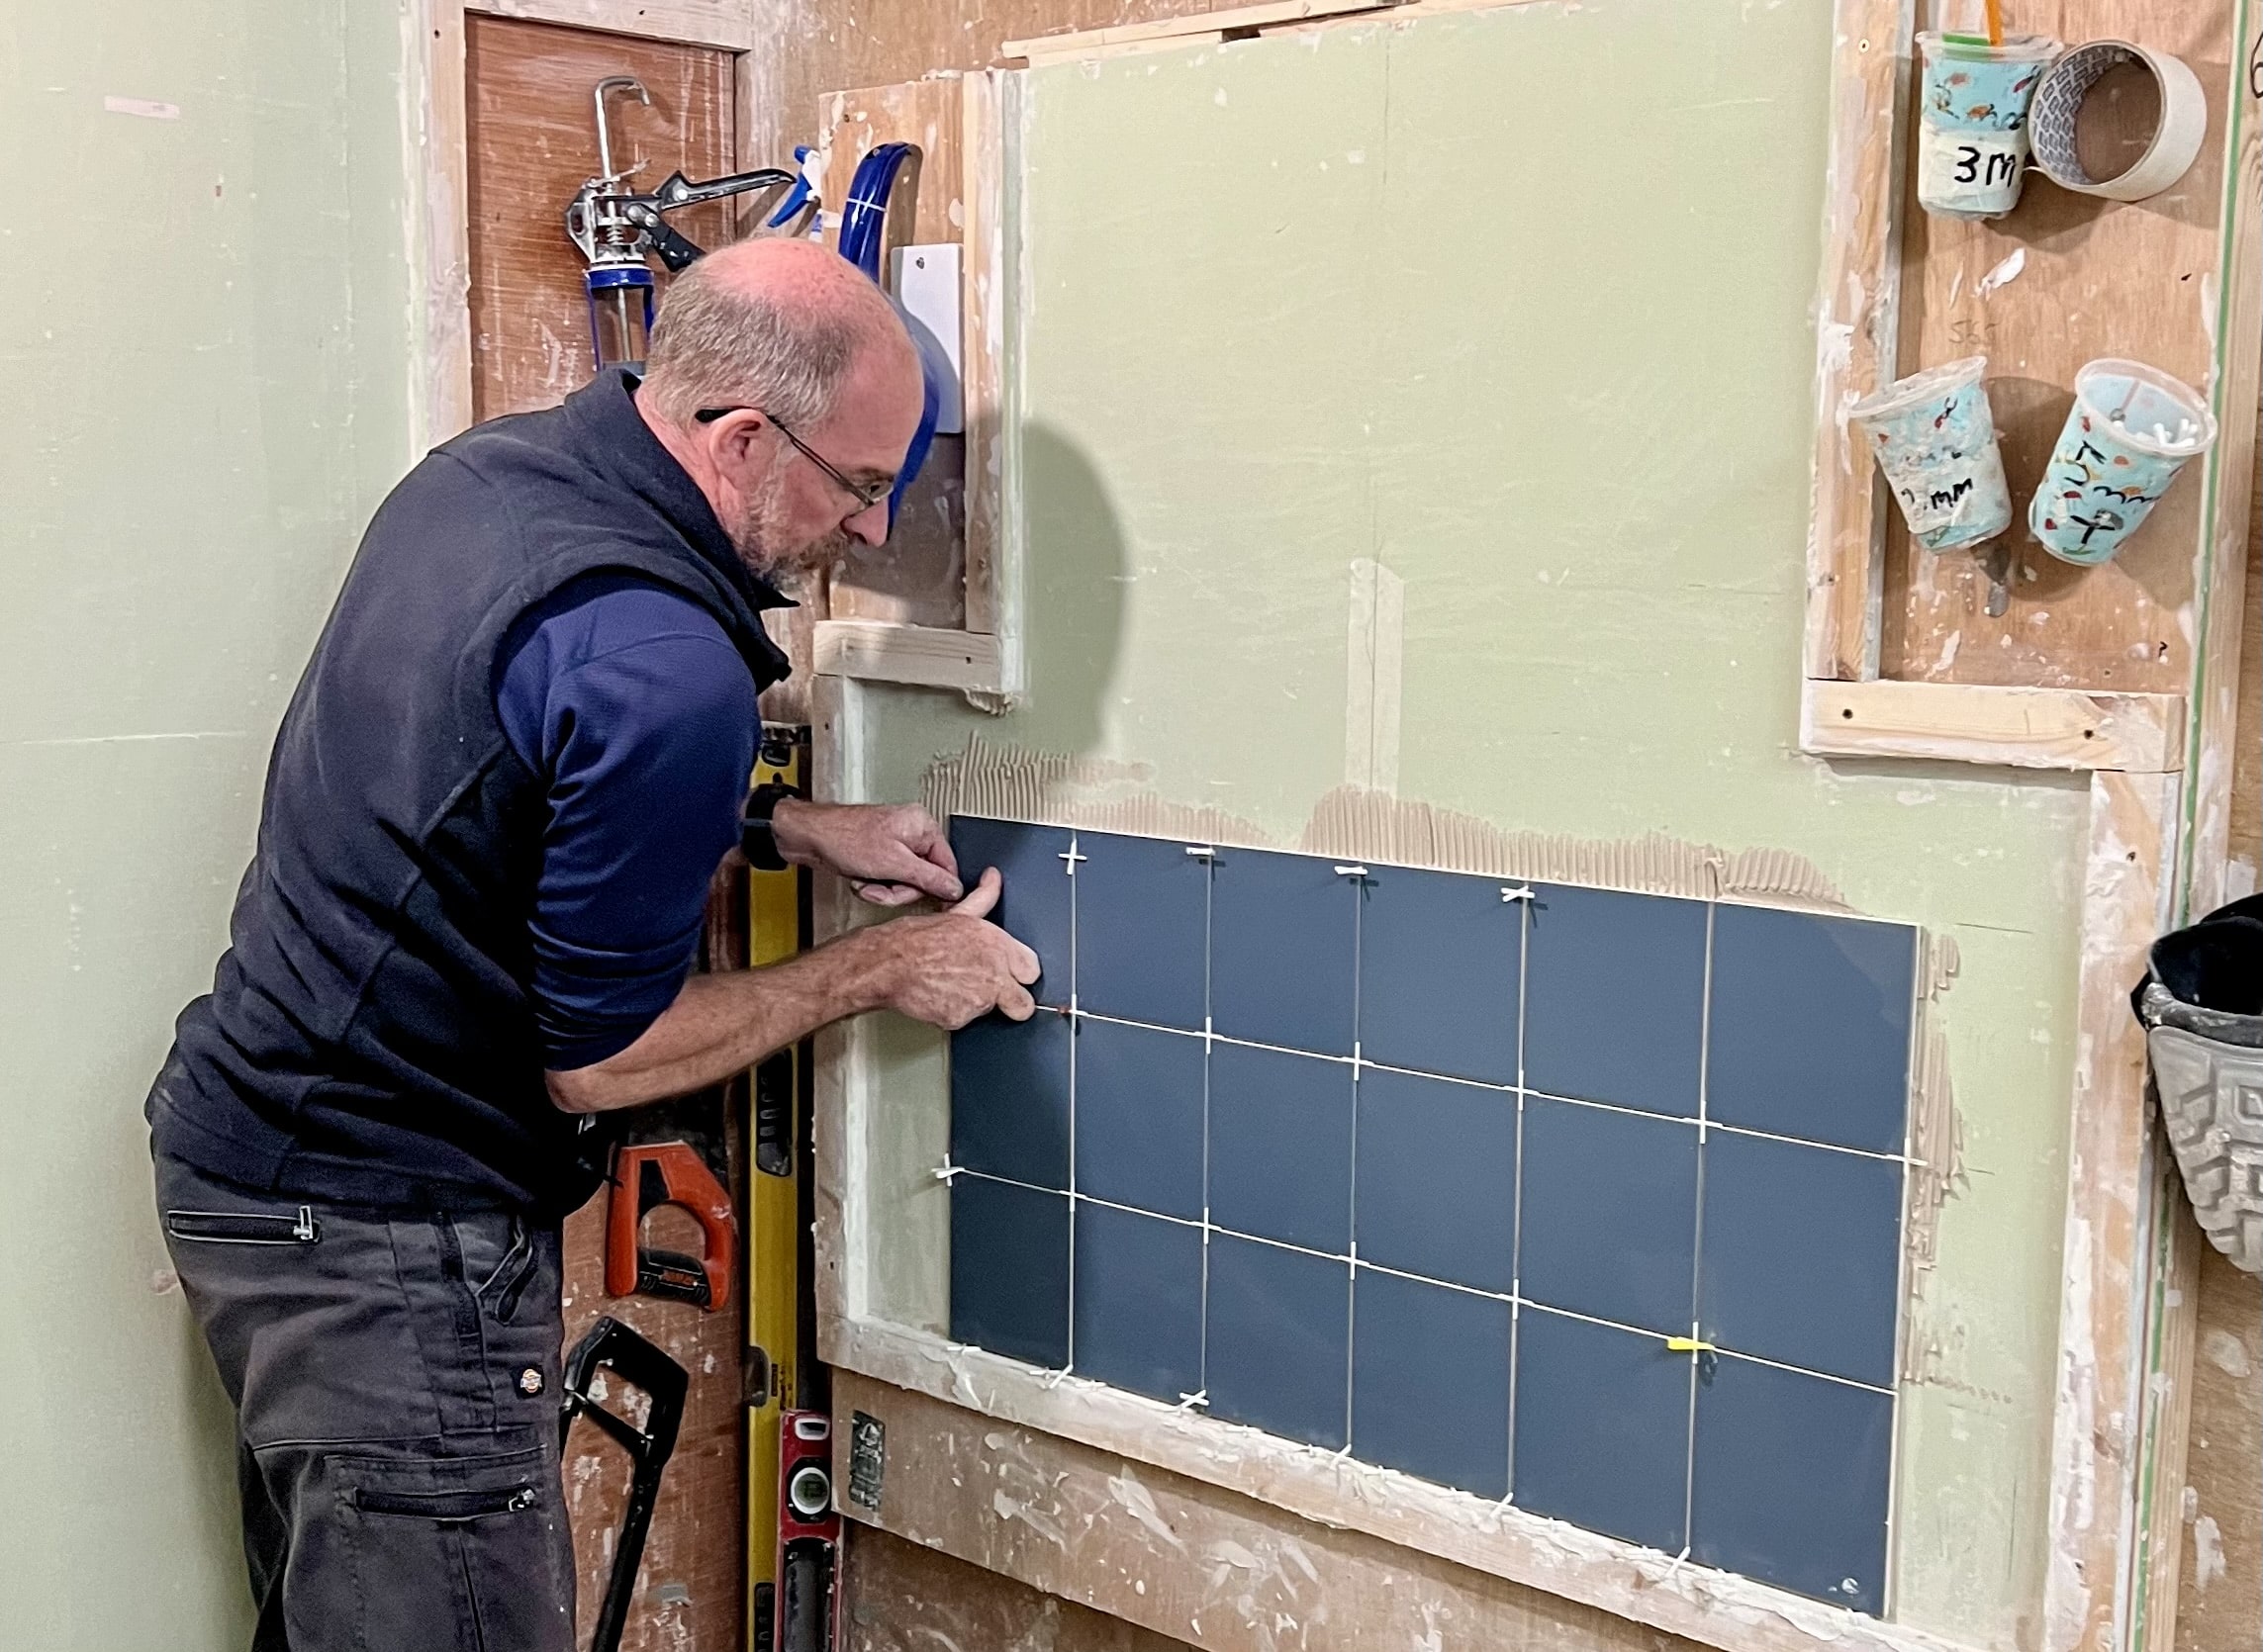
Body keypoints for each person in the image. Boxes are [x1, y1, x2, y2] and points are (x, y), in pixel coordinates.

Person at [144, 236, 1037, 1651]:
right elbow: (604, 1058)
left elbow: (507, 784)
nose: (869, 535)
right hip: (382, 1241)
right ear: (742, 436)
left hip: (247, 1167)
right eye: (862, 487)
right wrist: (879, 967)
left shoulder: (486, 481)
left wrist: (791, 827)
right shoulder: (668, 666)